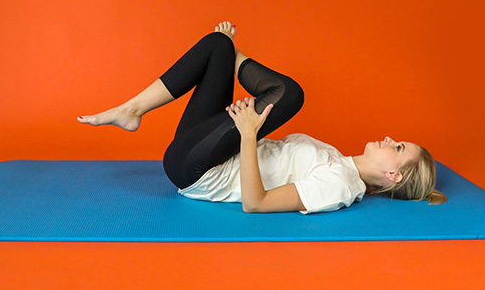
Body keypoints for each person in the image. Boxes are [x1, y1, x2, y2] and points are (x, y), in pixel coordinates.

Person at [77, 22, 447, 214]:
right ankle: (133, 110)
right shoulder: (337, 157)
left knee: (292, 95)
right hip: (209, 151)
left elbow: (256, 203)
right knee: (216, 44)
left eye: (398, 146)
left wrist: (248, 135)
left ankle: (231, 57)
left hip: (197, 170)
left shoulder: (340, 186)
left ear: (393, 176)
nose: (389, 138)